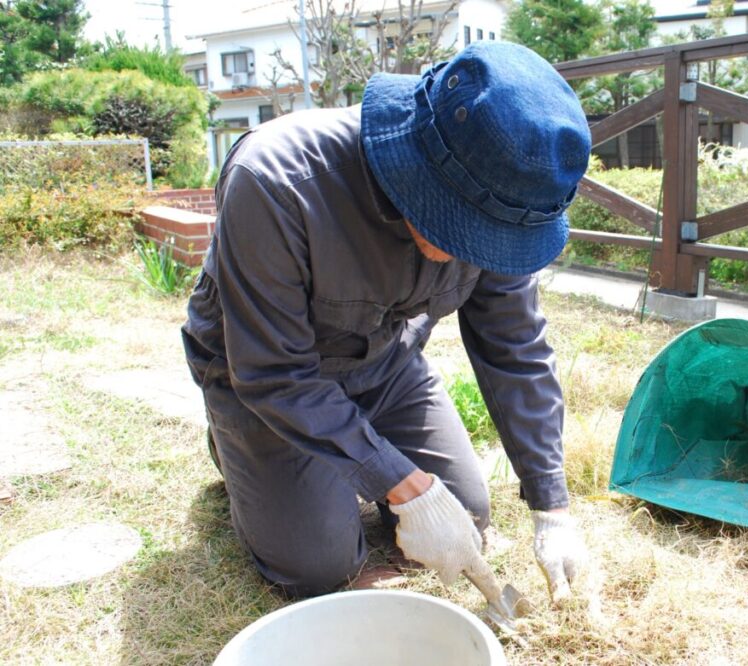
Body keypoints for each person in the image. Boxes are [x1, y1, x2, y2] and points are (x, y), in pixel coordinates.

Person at [182, 41, 592, 603]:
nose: (466, 251)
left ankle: (320, 466)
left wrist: (552, 507)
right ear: (415, 165)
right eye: (458, 228)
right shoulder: (277, 179)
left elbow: (515, 346)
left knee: (468, 515)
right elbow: (273, 371)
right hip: (265, 378)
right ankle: (237, 449)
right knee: (319, 567)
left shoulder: (502, 196)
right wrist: (408, 489)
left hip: (386, 364)